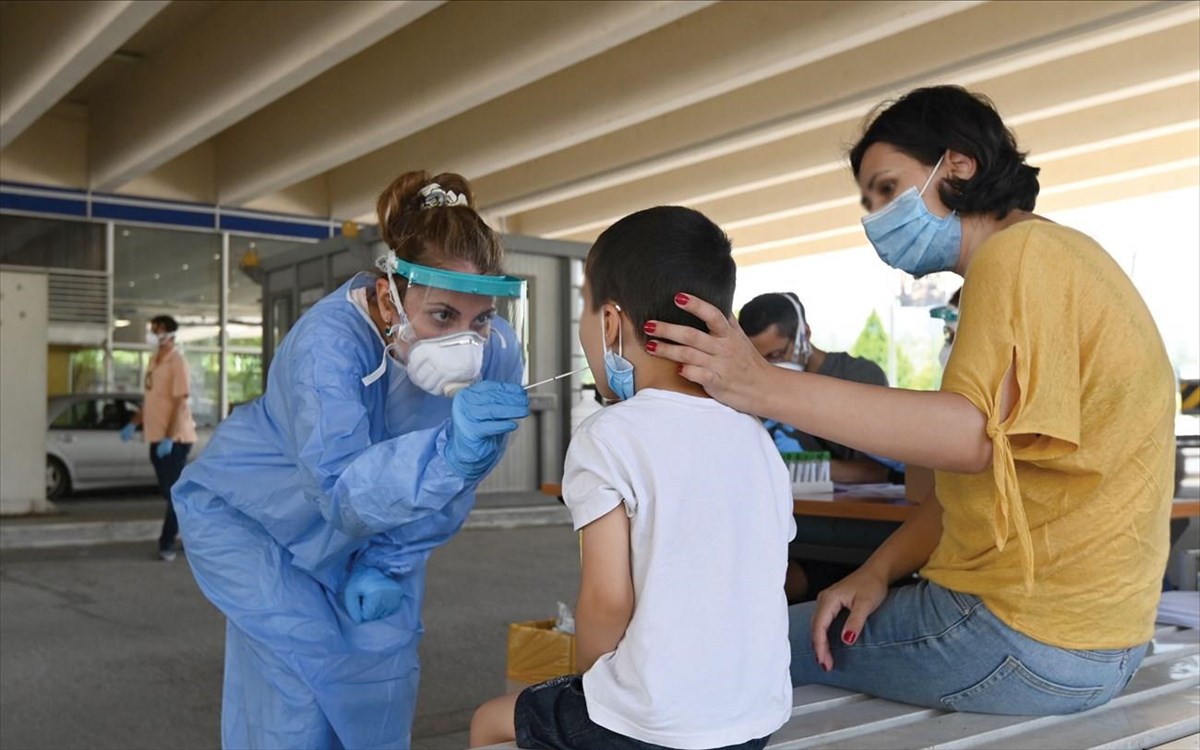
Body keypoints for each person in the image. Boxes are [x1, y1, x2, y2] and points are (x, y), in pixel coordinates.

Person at [643, 86, 1175, 716]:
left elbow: (968, 437)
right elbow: (986, 483)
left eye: (888, 188)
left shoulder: (1015, 257)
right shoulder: (1062, 257)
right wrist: (877, 571)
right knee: (803, 622)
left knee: (719, 645)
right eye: (868, 203)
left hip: (1022, 636)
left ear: (958, 166)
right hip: (1098, 645)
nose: (875, 218)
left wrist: (760, 384)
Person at [172, 171, 531, 749]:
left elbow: (457, 482)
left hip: (380, 531)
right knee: (298, 700)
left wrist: (390, 562)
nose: (465, 343)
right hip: (257, 522)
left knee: (378, 686)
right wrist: (450, 452)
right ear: (391, 295)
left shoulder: (495, 351)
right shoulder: (327, 346)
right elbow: (339, 486)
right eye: (443, 316)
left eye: (480, 319)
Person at [469, 206, 795, 749]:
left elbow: (606, 600)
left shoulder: (609, 436)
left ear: (611, 323)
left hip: (652, 724)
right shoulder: (755, 435)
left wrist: (594, 687)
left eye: (583, 308)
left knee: (489, 722)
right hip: (754, 721)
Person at [739, 292, 904, 603]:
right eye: (760, 361)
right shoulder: (761, 392)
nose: (770, 367)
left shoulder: (856, 377)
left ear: (804, 336)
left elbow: (876, 470)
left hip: (858, 533)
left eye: (775, 355)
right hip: (792, 527)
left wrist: (794, 472)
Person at [120, 314, 196, 562]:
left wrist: (170, 437)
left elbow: (179, 402)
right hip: (155, 436)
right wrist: (132, 424)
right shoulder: (154, 361)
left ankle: (167, 544)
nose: (154, 333)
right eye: (153, 329)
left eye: (158, 329)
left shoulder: (178, 363)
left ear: (170, 333)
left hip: (175, 439)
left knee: (174, 494)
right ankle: (190, 535)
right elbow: (150, 399)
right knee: (170, 494)